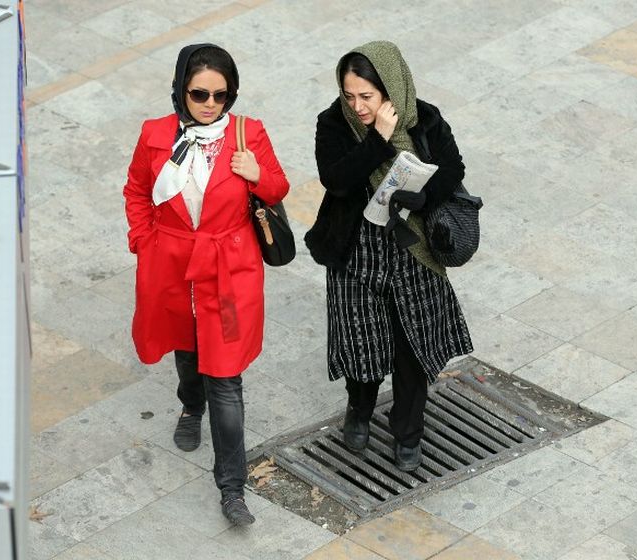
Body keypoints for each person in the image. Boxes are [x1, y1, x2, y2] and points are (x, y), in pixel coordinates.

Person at [123, 43, 289, 524]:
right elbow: (136, 189)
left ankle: (232, 488)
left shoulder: (248, 134)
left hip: (228, 268)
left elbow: (277, 189)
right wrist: (142, 240)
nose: (211, 104)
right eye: (199, 93)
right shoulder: (155, 134)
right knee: (187, 349)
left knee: (227, 376)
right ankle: (189, 407)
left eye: (222, 94)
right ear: (181, 90)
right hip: (171, 263)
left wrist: (258, 175)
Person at [305, 41, 473, 471]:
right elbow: (336, 180)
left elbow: (453, 169)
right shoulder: (334, 124)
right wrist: (377, 140)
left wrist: (420, 198)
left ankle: (408, 432)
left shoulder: (424, 119)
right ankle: (359, 410)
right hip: (356, 250)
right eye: (350, 95)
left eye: (367, 96)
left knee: (411, 347)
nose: (357, 106)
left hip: (412, 250)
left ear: (390, 90)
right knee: (363, 342)